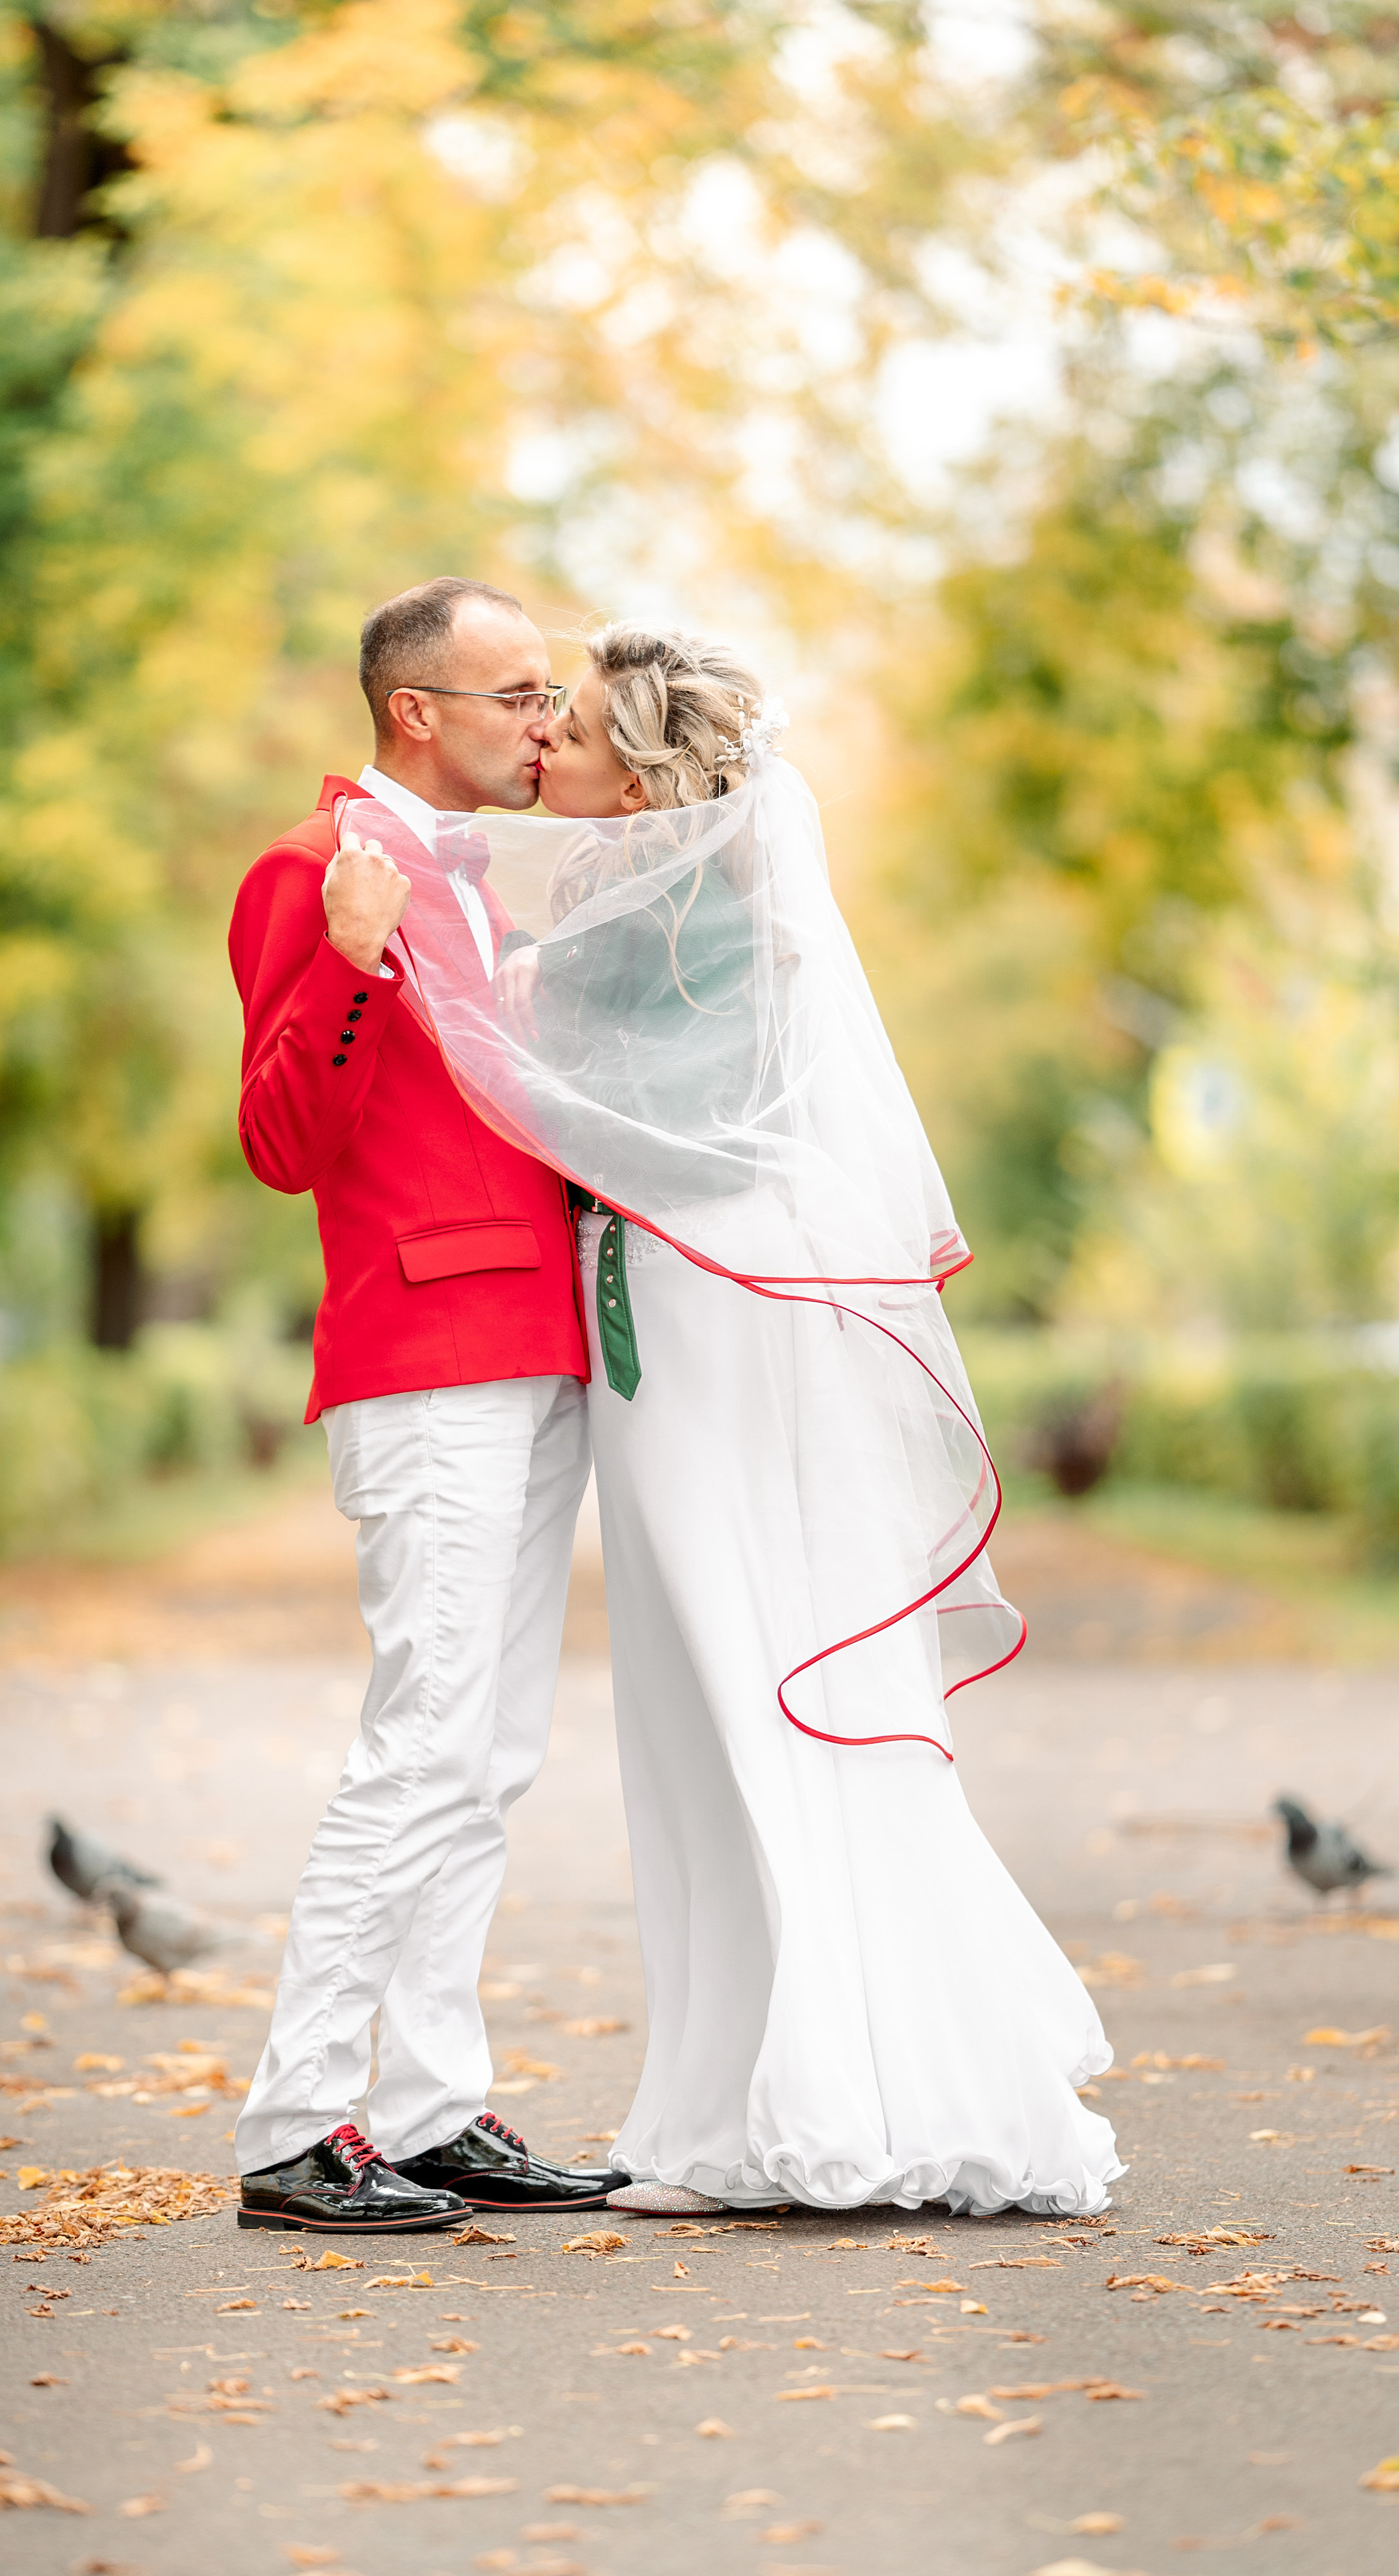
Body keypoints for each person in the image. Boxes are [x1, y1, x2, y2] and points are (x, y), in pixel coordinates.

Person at [391, 622, 1123, 2220]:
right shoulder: (636, 906)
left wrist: (459, 995)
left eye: (569, 729)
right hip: (683, 1298)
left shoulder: (697, 920)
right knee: (695, 1686)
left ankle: (821, 2100)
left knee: (741, 1672)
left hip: (710, 1305)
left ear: (645, 769)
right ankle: (743, 2095)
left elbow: (673, 1138)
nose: (541, 750)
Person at [225, 576, 621, 2231]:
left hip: (538, 1350)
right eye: (516, 695)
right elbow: (278, 1143)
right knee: (416, 1742)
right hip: (424, 1360)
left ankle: (432, 2105)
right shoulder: (312, 877)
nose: (545, 722)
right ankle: (294, 2123)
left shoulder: (483, 889)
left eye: (548, 697)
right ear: (414, 712)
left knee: (489, 1755)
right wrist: (350, 966)